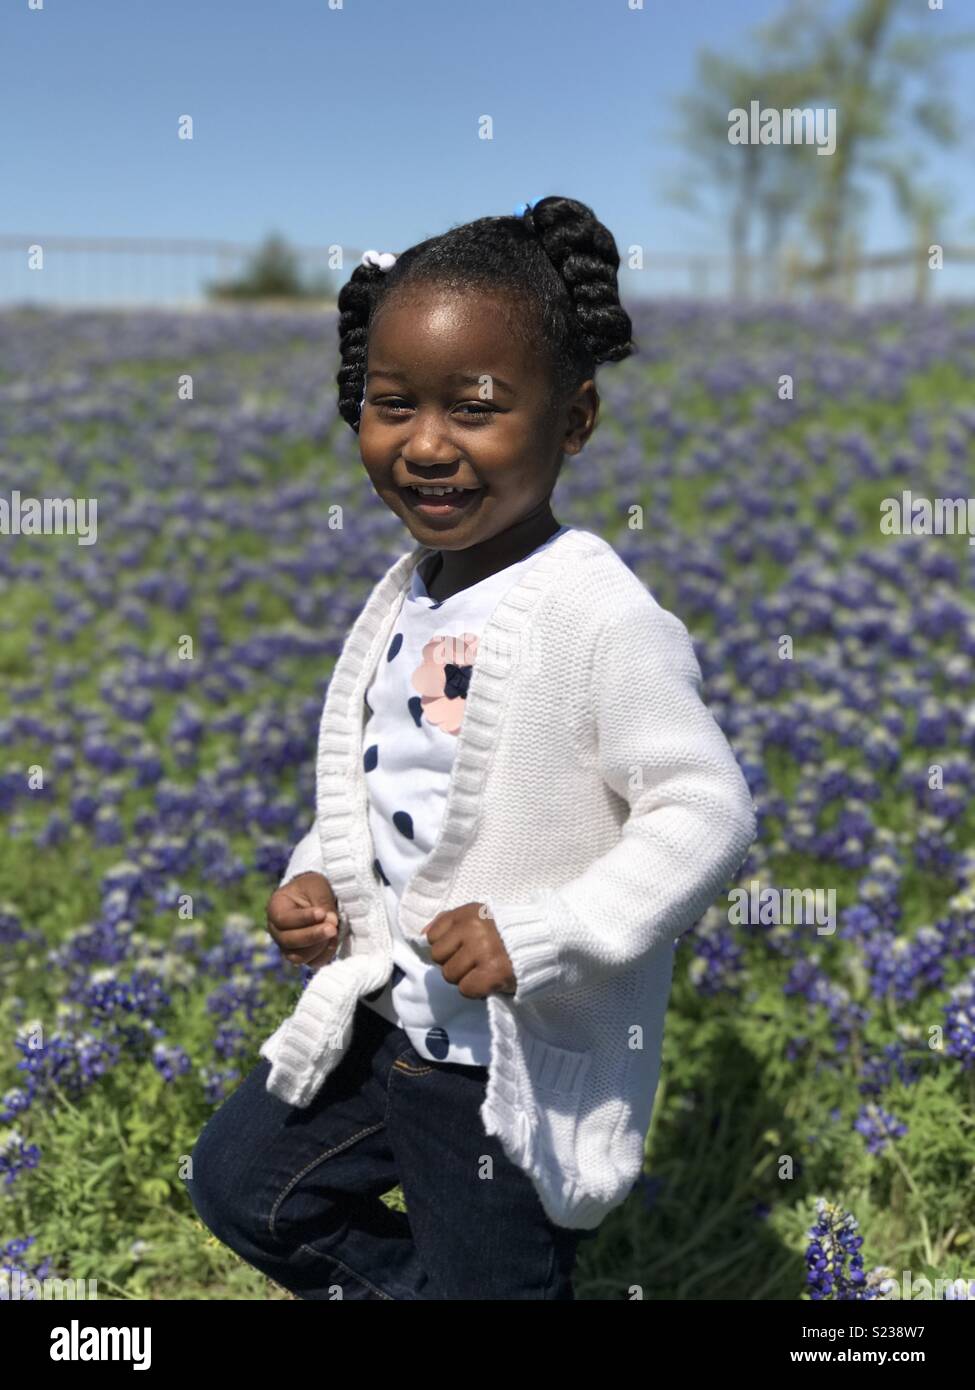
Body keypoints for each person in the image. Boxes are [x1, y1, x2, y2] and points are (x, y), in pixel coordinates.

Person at [187, 195, 757, 1300]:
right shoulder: (407, 592)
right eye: (391, 405)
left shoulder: (601, 615)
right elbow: (380, 773)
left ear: (573, 420)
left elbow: (707, 810)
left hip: (503, 1062)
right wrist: (317, 874)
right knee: (244, 1185)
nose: (429, 444)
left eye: (479, 408)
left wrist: (544, 931)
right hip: (383, 1012)